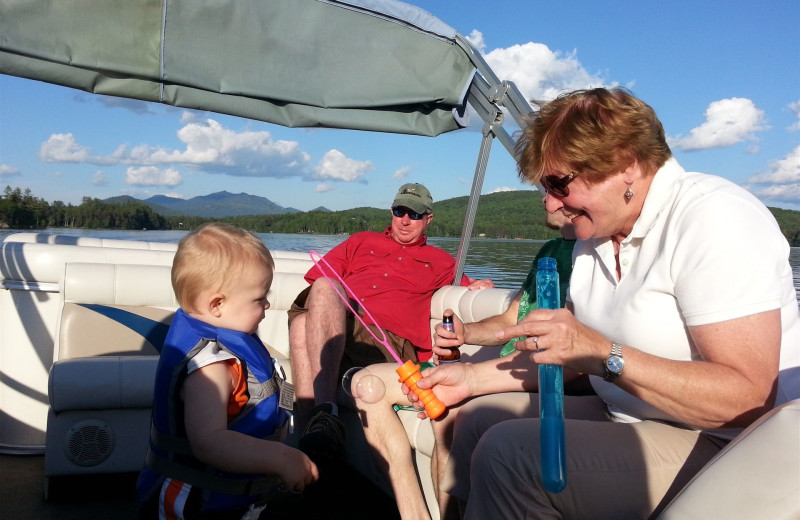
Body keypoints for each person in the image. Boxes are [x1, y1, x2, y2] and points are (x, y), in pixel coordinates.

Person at [406, 88, 800, 519]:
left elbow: (746, 399)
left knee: (510, 456)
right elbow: (572, 355)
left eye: (560, 184)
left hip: (730, 444)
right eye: (544, 186)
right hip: (629, 414)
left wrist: (603, 352)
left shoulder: (713, 218)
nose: (552, 204)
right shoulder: (594, 238)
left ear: (627, 163)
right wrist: (469, 379)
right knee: (479, 419)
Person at [350, 205, 577, 520]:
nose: (544, 199)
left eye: (553, 185)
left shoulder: (591, 259)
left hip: (539, 378)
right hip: (503, 366)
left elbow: (576, 356)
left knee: (449, 413)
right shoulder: (550, 251)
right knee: (367, 385)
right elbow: (512, 318)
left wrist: (472, 374)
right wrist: (465, 332)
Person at [288, 183, 492, 464]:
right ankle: (311, 441)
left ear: (428, 219)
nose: (405, 220)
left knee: (307, 318)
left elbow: (468, 287)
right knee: (311, 307)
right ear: (391, 211)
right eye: (399, 211)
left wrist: (481, 287)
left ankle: (319, 423)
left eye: (414, 214)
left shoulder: (442, 262)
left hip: (390, 344)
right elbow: (318, 284)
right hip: (344, 330)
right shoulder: (360, 241)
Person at [137, 223, 319, 520]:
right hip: (198, 503)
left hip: (237, 497)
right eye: (259, 299)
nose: (267, 304)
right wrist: (282, 457)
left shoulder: (228, 340)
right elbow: (209, 442)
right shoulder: (210, 367)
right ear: (217, 304)